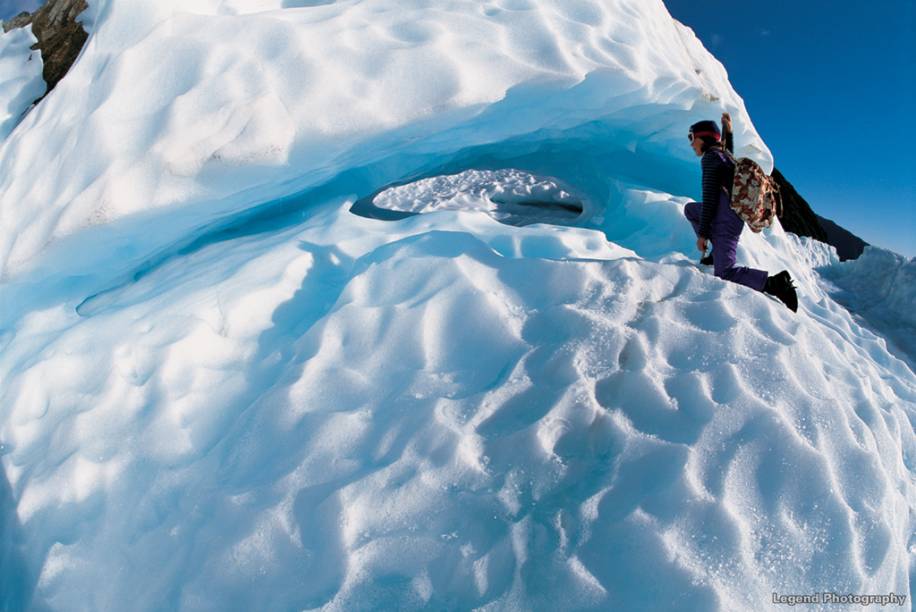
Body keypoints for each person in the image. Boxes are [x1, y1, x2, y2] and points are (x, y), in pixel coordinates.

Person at [683, 113, 799, 312]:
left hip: (725, 220)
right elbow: (728, 150)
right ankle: (714, 253)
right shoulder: (722, 155)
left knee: (725, 272)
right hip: (729, 214)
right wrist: (728, 130)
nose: (691, 144)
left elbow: (710, 199)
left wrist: (703, 235)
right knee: (691, 210)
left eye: (692, 138)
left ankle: (775, 284)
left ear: (704, 138)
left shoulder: (710, 159)